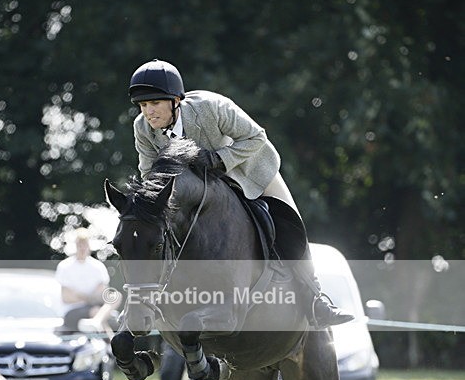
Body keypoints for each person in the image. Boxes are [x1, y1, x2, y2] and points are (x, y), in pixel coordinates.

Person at [128, 59, 353, 329]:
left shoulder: (210, 108)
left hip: (248, 170)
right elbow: (149, 173)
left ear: (176, 100)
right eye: (143, 106)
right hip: (197, 191)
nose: (148, 113)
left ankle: (315, 299)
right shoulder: (142, 128)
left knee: (290, 220)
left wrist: (219, 159)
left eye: (154, 104)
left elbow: (256, 137)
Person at [55, 228, 120, 332]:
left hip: (95, 307)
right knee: (96, 311)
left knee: (116, 296)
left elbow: (103, 294)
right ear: (75, 246)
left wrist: (80, 295)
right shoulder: (65, 266)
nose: (82, 248)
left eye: (84, 245)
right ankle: (101, 326)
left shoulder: (98, 266)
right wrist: (90, 298)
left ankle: (97, 322)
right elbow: (66, 298)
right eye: (79, 245)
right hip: (72, 311)